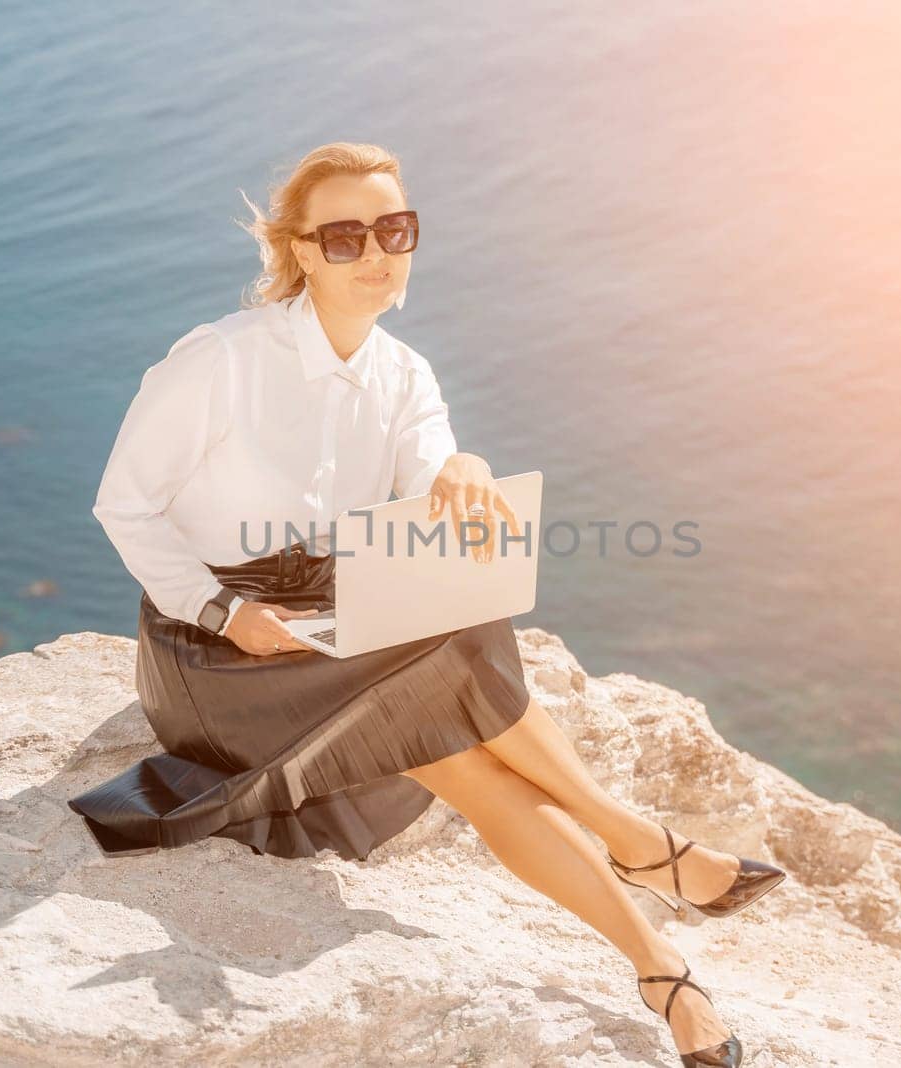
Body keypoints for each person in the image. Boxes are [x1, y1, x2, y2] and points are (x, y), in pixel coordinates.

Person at [66, 142, 784, 1066]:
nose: (375, 253)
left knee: (463, 736)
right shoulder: (219, 361)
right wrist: (218, 612)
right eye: (345, 235)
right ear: (297, 250)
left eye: (394, 229)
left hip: (334, 624)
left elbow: (428, 472)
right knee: (455, 654)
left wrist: (462, 469)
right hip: (216, 654)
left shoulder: (405, 374)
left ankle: (660, 965)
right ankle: (639, 845)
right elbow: (122, 502)